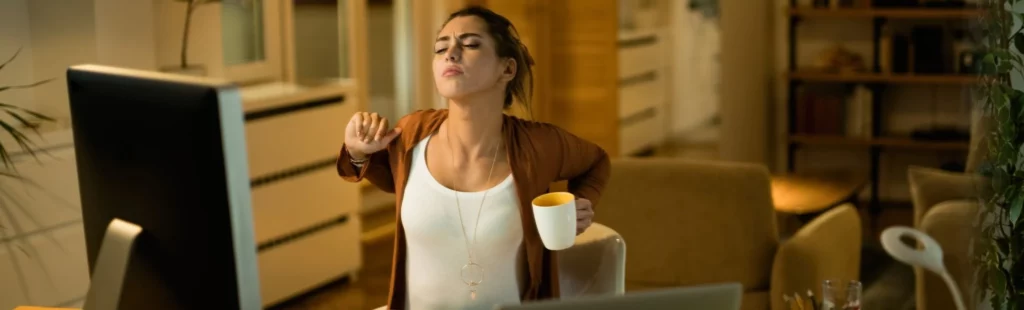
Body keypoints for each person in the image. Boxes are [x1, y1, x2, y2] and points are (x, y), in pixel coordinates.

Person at [336, 5, 610, 310]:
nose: (450, 54)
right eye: (441, 48)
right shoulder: (412, 133)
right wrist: (358, 152)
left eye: (469, 44)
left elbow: (597, 161)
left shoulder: (540, 144)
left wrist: (580, 204)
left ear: (507, 69)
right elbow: (392, 178)